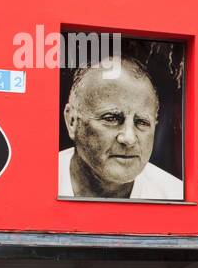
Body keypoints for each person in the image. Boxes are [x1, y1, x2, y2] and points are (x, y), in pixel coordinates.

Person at [59, 54, 184, 200]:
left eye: (142, 122)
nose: (129, 139)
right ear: (72, 121)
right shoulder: (34, 183)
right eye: (111, 118)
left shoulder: (174, 195)